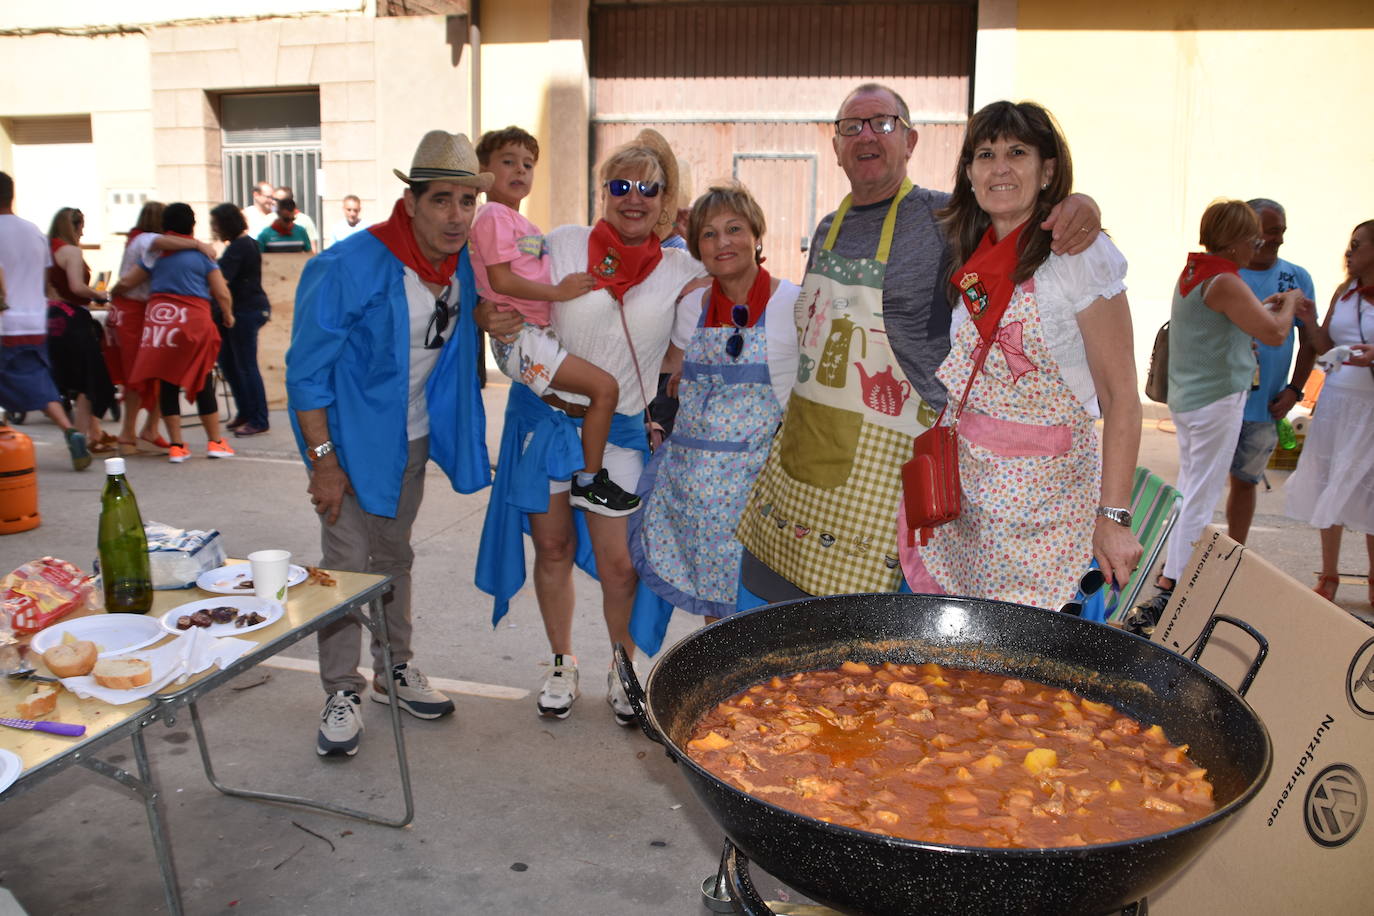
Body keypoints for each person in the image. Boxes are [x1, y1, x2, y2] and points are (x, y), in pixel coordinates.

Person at [736, 83, 1102, 605]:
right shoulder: (825, 230)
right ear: (835, 146)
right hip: (804, 455)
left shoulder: (948, 219)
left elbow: (1024, 228)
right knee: (773, 625)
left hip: (893, 465)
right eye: (851, 126)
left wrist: (1076, 205)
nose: (867, 136)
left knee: (871, 642)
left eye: (883, 123)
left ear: (910, 142)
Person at [474, 128, 705, 723]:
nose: (634, 198)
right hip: (546, 426)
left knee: (620, 565)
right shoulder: (564, 242)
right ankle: (560, 661)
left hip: (622, 431)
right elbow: (498, 278)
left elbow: (735, 295)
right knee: (551, 547)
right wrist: (486, 311)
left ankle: (622, 668)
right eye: (620, 185)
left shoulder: (681, 267)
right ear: (603, 192)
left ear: (663, 199)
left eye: (647, 189)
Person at [286, 130, 491, 757]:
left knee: (394, 557)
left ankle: (393, 672)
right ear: (411, 202)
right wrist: (323, 463)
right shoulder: (349, 265)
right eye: (442, 201)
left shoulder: (461, 267)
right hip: (346, 447)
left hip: (411, 441)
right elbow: (305, 373)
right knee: (345, 566)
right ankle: (341, 688)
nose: (457, 216)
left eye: (466, 201)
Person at [896, 101, 1141, 608]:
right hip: (971, 512)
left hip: (1048, 516)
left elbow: (1121, 398)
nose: (1000, 167)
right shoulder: (970, 249)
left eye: (1017, 152)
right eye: (985, 154)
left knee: (1043, 677)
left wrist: (1113, 517)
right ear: (968, 173)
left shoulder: (1077, 255)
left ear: (1047, 169)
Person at [627, 181, 801, 652]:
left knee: (759, 619)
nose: (723, 242)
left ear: (757, 235)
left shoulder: (793, 304)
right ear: (697, 247)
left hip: (755, 500)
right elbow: (665, 368)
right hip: (694, 504)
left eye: (734, 229)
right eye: (709, 234)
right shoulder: (694, 306)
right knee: (715, 620)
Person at [1132, 200, 1308, 623]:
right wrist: (1291, 302)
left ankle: (1171, 573)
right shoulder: (1225, 280)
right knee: (1201, 494)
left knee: (1192, 488)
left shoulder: (1196, 272)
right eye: (1254, 238)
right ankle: (1173, 584)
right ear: (1235, 241)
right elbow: (1275, 332)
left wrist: (1269, 305)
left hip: (1192, 400)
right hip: (1215, 401)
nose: (1258, 246)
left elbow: (1232, 319)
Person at [469, 125, 636, 516]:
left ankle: (578, 452)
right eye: (508, 162)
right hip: (521, 335)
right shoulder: (493, 214)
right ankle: (589, 481)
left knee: (583, 399)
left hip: (531, 335)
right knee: (606, 390)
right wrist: (560, 293)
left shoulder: (518, 221)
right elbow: (501, 279)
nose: (520, 170)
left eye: (528, 164)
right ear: (484, 170)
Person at [1284, 220, 1374, 604]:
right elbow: (1323, 345)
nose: (1349, 251)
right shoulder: (1346, 291)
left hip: (1370, 405)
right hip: (1338, 400)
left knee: (1370, 486)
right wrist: (1309, 317)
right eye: (1349, 244)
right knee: (1329, 479)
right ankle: (1329, 574)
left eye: (1357, 244)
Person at [1225, 198, 1317, 544]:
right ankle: (1186, 560)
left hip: (1266, 406)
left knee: (1245, 481)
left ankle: (1235, 551)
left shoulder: (1297, 277)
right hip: (1218, 402)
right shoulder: (1225, 275)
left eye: (1281, 231)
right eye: (1270, 231)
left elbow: (1309, 340)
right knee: (1200, 484)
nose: (1277, 238)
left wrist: (1295, 389)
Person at [114, 203, 236, 463]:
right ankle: (215, 442)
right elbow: (221, 291)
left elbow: (129, 281)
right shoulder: (203, 256)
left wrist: (112, 293)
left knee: (167, 380)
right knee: (202, 378)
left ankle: (177, 446)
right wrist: (228, 314)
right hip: (195, 320)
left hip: (162, 322)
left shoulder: (156, 253)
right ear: (192, 225)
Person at [0, 172, 91, 469]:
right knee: (36, 379)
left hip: (4, 320)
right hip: (32, 319)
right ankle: (70, 431)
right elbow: (43, 281)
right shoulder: (34, 232)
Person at [46, 207, 117, 452]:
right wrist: (98, 293)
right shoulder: (71, 251)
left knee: (65, 379)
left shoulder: (46, 250)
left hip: (48, 318)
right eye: (82, 227)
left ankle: (93, 433)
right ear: (75, 227)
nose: (83, 233)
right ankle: (81, 437)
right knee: (90, 381)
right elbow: (77, 287)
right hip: (72, 319)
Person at [210, 203, 272, 437]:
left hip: (245, 312)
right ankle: (246, 411)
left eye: (216, 224)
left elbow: (221, 280)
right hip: (238, 312)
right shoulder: (239, 245)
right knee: (230, 364)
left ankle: (258, 417)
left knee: (246, 366)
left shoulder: (241, 246)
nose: (214, 228)